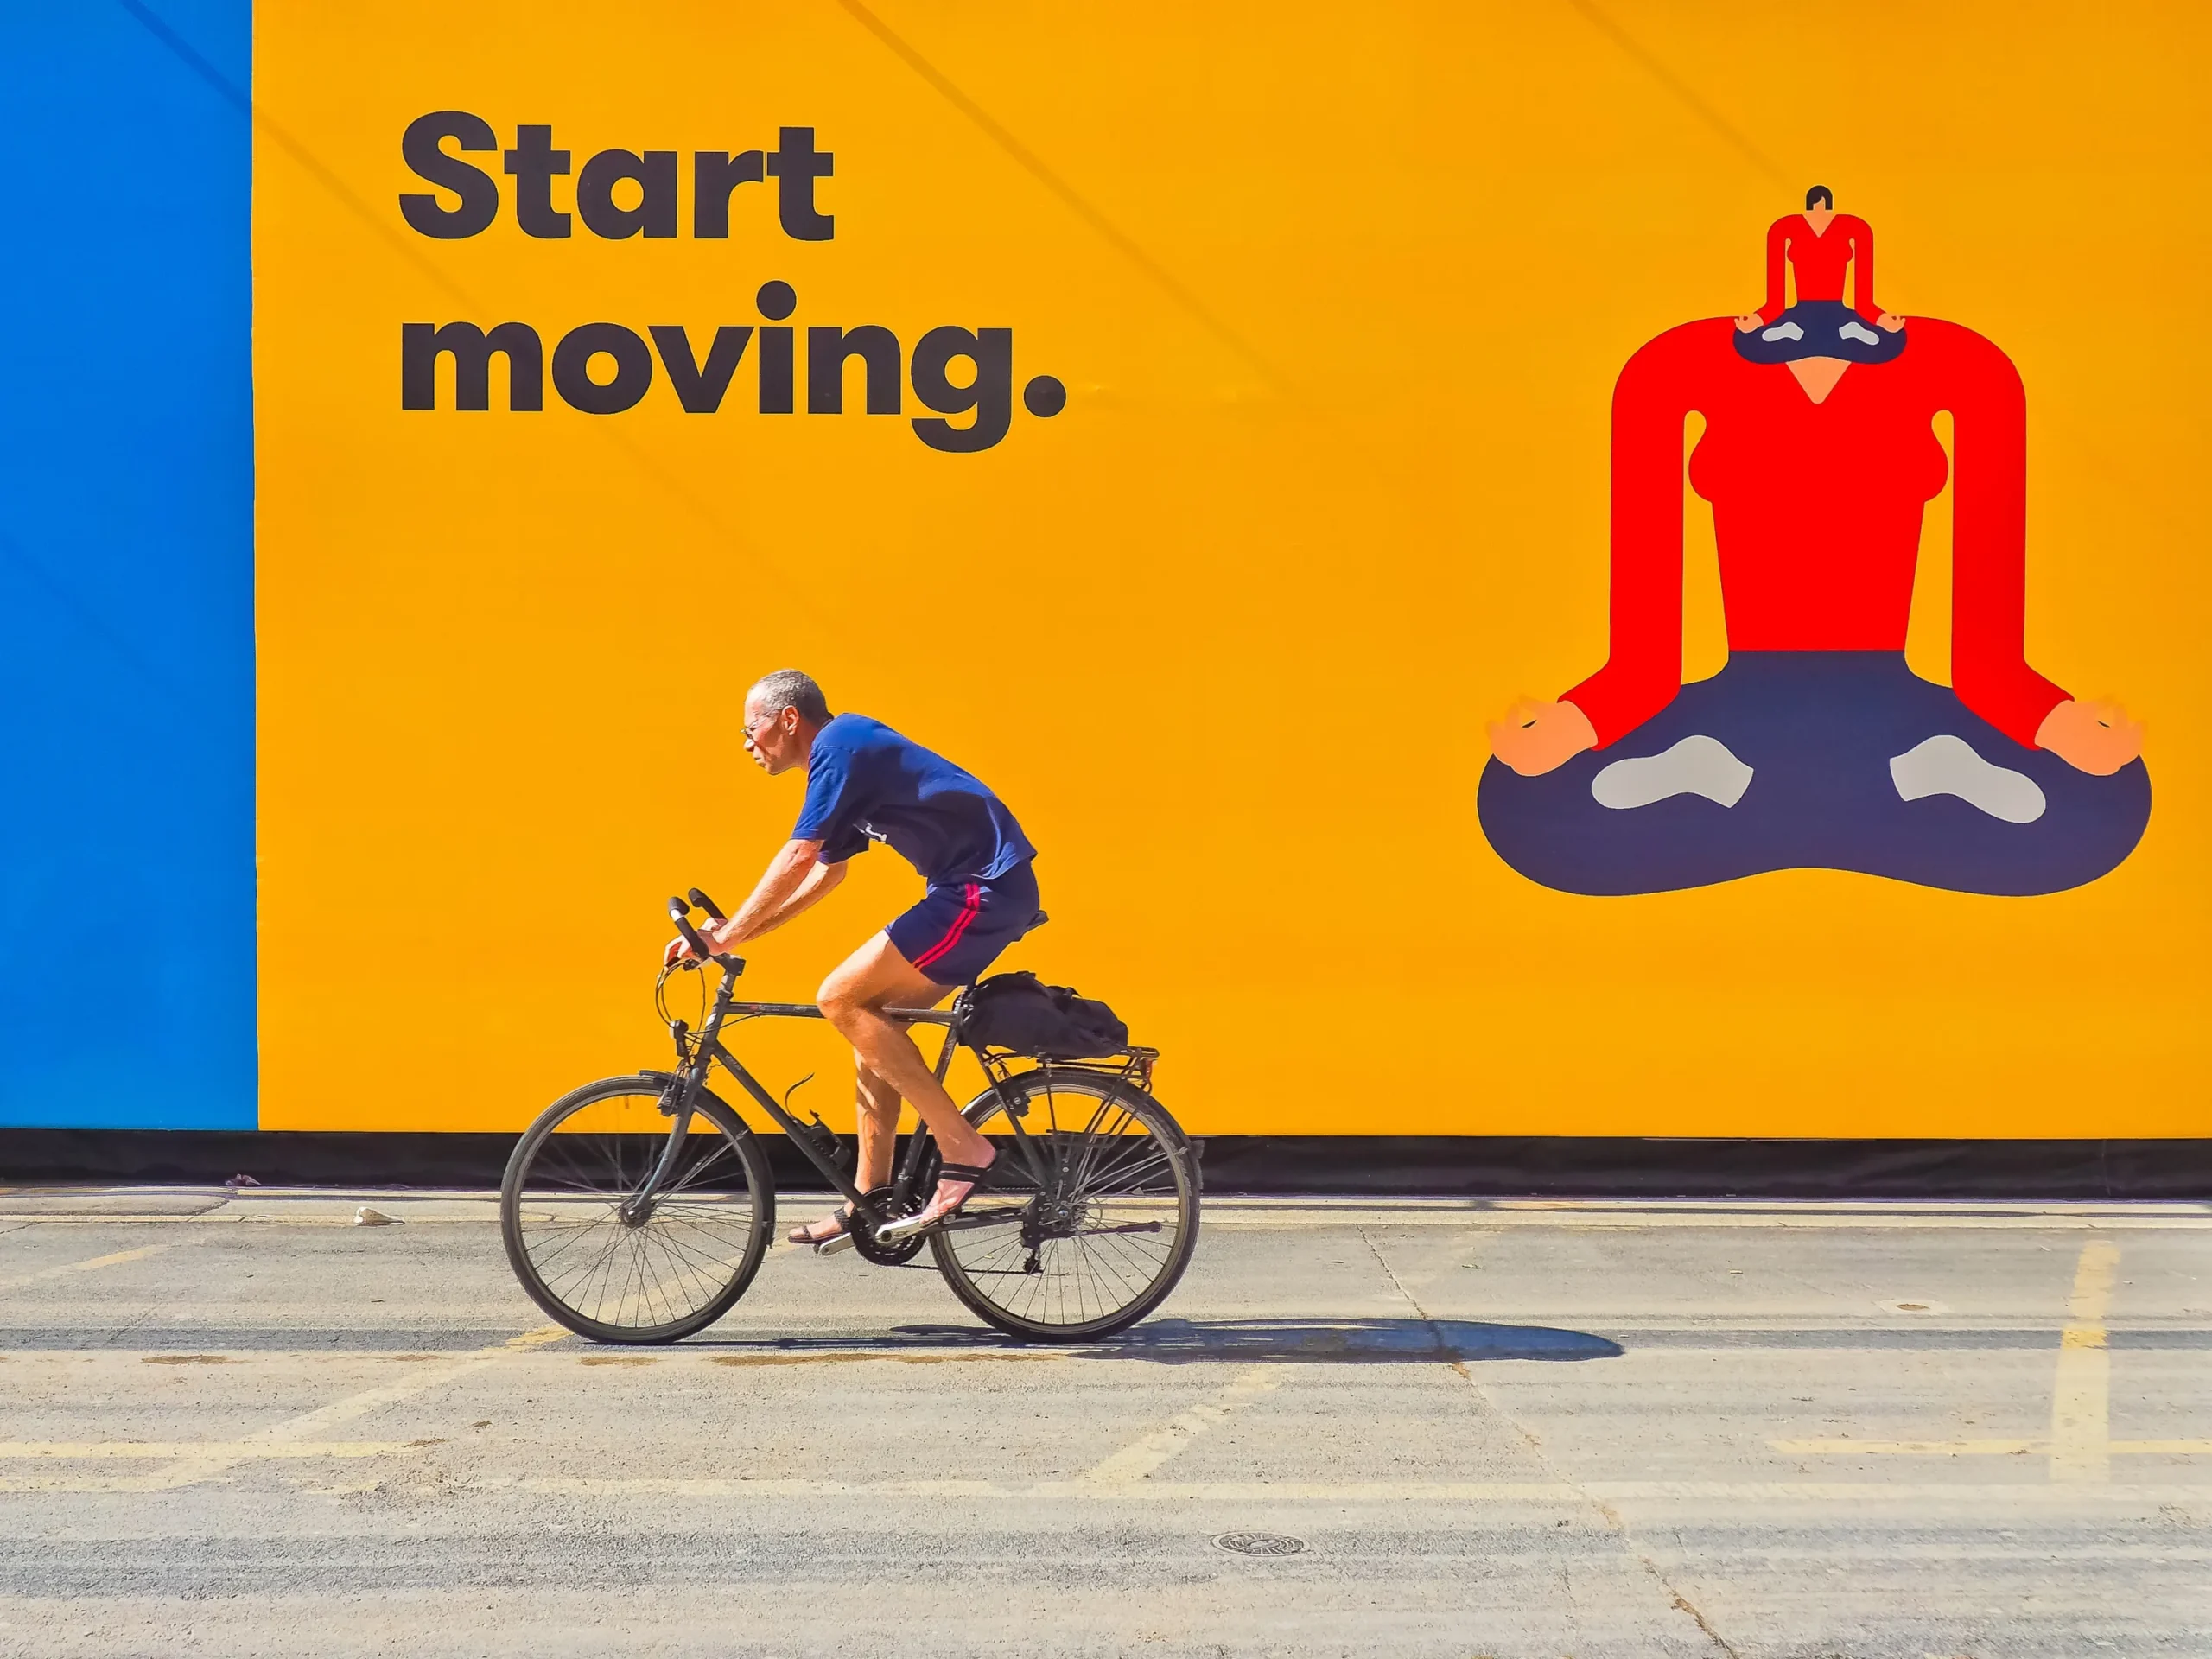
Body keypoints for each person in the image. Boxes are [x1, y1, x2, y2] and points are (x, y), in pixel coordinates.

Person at [1478, 254, 2149, 897]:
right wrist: (1580, 722)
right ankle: (1836, 777)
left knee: (2103, 801)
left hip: (1888, 695)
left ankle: (1817, 777)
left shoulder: (1964, 369)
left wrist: (2053, 722)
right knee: (1526, 802)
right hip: (1745, 693)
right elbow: (1644, 659)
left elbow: (1987, 658)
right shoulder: (1674, 369)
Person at [668, 670, 1039, 1247]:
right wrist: (739, 935)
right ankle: (868, 1200)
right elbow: (825, 872)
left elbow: (798, 854)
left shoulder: (840, 746)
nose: (746, 743)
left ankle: (962, 1145)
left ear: (788, 720)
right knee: (870, 1019)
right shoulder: (840, 755)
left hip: (980, 890)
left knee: (837, 997)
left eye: (751, 727)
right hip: (970, 891)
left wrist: (725, 936)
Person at [1734, 185, 1906, 366]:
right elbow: (1775, 302)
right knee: (1745, 340)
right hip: (1802, 311)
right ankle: (1812, 333)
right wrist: (1757, 319)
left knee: (1894, 340)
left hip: (1837, 311)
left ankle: (1834, 333)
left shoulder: (1856, 227)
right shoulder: (1783, 227)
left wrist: (1882, 319)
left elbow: (1864, 302)